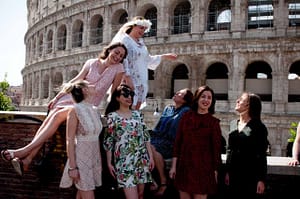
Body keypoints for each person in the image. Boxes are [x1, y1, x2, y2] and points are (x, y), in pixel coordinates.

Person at [0, 42, 127, 175]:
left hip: (88, 105)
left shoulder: (118, 68)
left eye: (121, 56)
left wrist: (112, 112)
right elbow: (76, 81)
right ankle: (27, 159)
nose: (118, 57)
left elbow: (114, 92)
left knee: (55, 116)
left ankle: (24, 152)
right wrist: (57, 97)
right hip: (72, 98)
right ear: (110, 49)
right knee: (51, 117)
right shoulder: (91, 62)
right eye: (117, 52)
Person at [111, 16, 178, 110]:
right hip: (129, 78)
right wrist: (127, 77)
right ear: (133, 26)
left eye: (145, 29)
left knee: (136, 107)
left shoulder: (141, 44)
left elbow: (148, 60)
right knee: (127, 105)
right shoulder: (125, 40)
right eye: (141, 28)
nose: (143, 31)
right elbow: (122, 60)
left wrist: (164, 56)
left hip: (142, 79)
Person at [169, 85, 222, 199]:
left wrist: (215, 172)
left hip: (204, 170)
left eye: (209, 98)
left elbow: (216, 150)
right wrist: (173, 166)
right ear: (197, 98)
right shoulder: (186, 117)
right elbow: (178, 142)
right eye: (203, 96)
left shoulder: (214, 123)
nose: (206, 100)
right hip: (184, 167)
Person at [103, 84, 155, 199]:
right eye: (125, 94)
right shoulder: (112, 116)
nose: (129, 97)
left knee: (141, 195)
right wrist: (109, 163)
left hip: (141, 160)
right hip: (124, 162)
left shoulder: (138, 114)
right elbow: (109, 141)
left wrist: (150, 157)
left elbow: (145, 137)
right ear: (117, 98)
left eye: (131, 94)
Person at [57, 80, 102, 199]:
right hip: (81, 158)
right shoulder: (74, 110)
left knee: (82, 193)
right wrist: (72, 167)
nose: (93, 85)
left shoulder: (95, 109)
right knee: (87, 193)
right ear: (84, 90)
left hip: (94, 157)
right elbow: (69, 140)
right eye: (89, 84)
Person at [224, 92, 269, 199]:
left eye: (241, 100)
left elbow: (261, 154)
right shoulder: (233, 123)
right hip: (233, 175)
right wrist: (227, 171)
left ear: (249, 106)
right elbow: (229, 150)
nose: (237, 101)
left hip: (250, 176)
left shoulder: (259, 127)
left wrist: (261, 180)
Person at [150, 88, 193, 196]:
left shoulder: (186, 111)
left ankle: (163, 182)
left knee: (152, 148)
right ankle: (151, 181)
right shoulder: (168, 108)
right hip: (157, 138)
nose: (176, 93)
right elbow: (159, 125)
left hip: (171, 143)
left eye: (180, 94)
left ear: (185, 100)